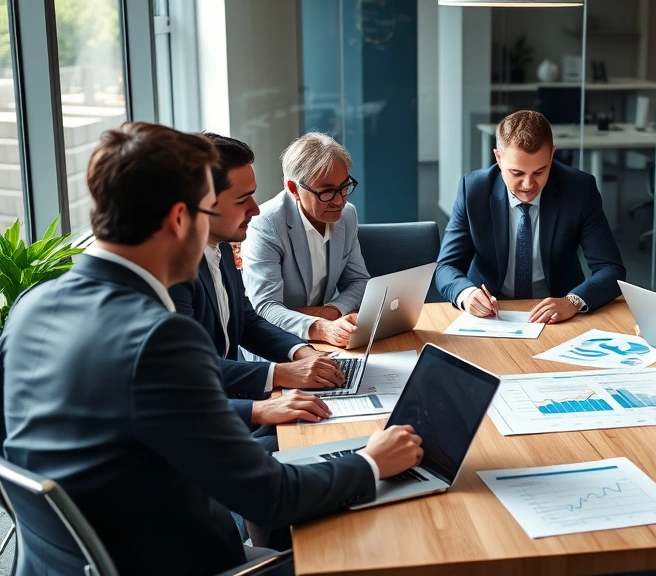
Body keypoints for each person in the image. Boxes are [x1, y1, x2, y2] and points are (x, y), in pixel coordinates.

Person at [0, 122, 423, 575]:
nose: (256, 213)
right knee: (395, 550)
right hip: (183, 562)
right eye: (217, 208)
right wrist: (369, 463)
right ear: (181, 219)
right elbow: (269, 496)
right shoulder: (157, 337)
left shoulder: (31, 305)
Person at [170, 133, 346, 449]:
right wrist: (282, 374)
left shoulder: (220, 247)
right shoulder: (172, 272)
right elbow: (190, 374)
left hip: (237, 407)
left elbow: (248, 322)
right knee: (330, 445)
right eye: (242, 199)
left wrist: (302, 352)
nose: (255, 208)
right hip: (206, 430)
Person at [434, 110, 626, 324]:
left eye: (539, 172)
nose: (528, 185)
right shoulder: (474, 190)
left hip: (558, 315)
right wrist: (467, 294)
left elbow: (611, 268)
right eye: (517, 173)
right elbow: (446, 267)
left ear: (552, 155)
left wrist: (572, 301)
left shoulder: (579, 189)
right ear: (498, 158)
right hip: (492, 315)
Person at [241, 133, 368, 346]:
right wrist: (322, 327)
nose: (339, 201)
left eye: (344, 187)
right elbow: (265, 308)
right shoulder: (266, 224)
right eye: (326, 192)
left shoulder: (347, 215)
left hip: (329, 336)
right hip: (275, 342)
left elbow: (358, 281)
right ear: (294, 189)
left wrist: (332, 311)